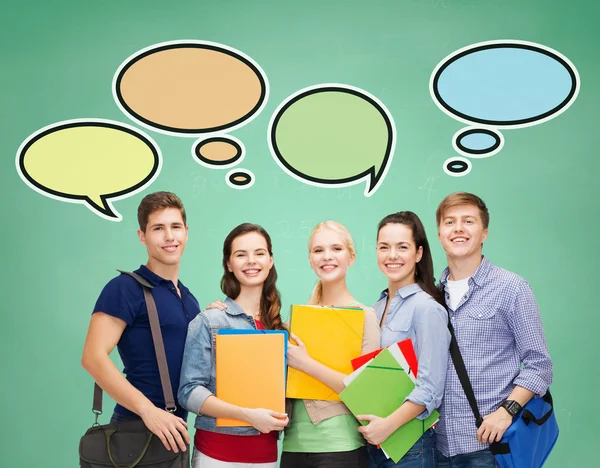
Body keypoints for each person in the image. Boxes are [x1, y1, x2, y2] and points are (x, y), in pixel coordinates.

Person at [434, 192, 553, 467]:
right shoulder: (431, 296)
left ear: (484, 232)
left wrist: (506, 411)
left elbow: (540, 366)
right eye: (450, 222)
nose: (459, 228)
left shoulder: (512, 288)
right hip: (437, 448)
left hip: (489, 447)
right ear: (439, 234)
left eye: (468, 221)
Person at [81, 191, 200, 454]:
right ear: (142, 236)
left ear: (186, 232)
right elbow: (92, 356)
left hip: (174, 434)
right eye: (158, 228)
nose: (169, 236)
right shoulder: (125, 288)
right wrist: (149, 411)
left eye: (175, 227)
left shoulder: (190, 300)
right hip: (134, 430)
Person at [178, 223, 289, 468]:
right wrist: (247, 415)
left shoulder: (282, 328)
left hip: (268, 458)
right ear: (229, 264)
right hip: (217, 456)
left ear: (270, 260)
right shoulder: (210, 321)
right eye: (241, 254)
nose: (251, 261)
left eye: (259, 253)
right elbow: (189, 392)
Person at [281, 220, 381, 468]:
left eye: (336, 249)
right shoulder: (295, 319)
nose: (327, 257)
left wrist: (306, 364)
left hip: (340, 446)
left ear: (351, 257)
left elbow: (365, 391)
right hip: (293, 446)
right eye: (318, 250)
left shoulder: (365, 316)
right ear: (310, 260)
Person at [357, 211, 450, 468]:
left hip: (411, 446)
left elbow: (430, 388)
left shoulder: (427, 308)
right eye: (384, 247)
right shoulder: (373, 309)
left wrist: (388, 426)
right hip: (373, 441)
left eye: (402, 247)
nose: (392, 256)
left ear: (418, 254)